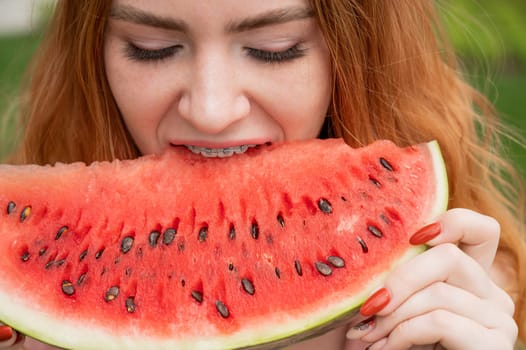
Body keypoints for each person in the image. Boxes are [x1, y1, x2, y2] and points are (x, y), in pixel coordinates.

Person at [1, 1, 525, 349]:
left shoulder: (476, 306)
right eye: (150, 47)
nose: (210, 109)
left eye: (274, 48)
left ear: (358, 50)